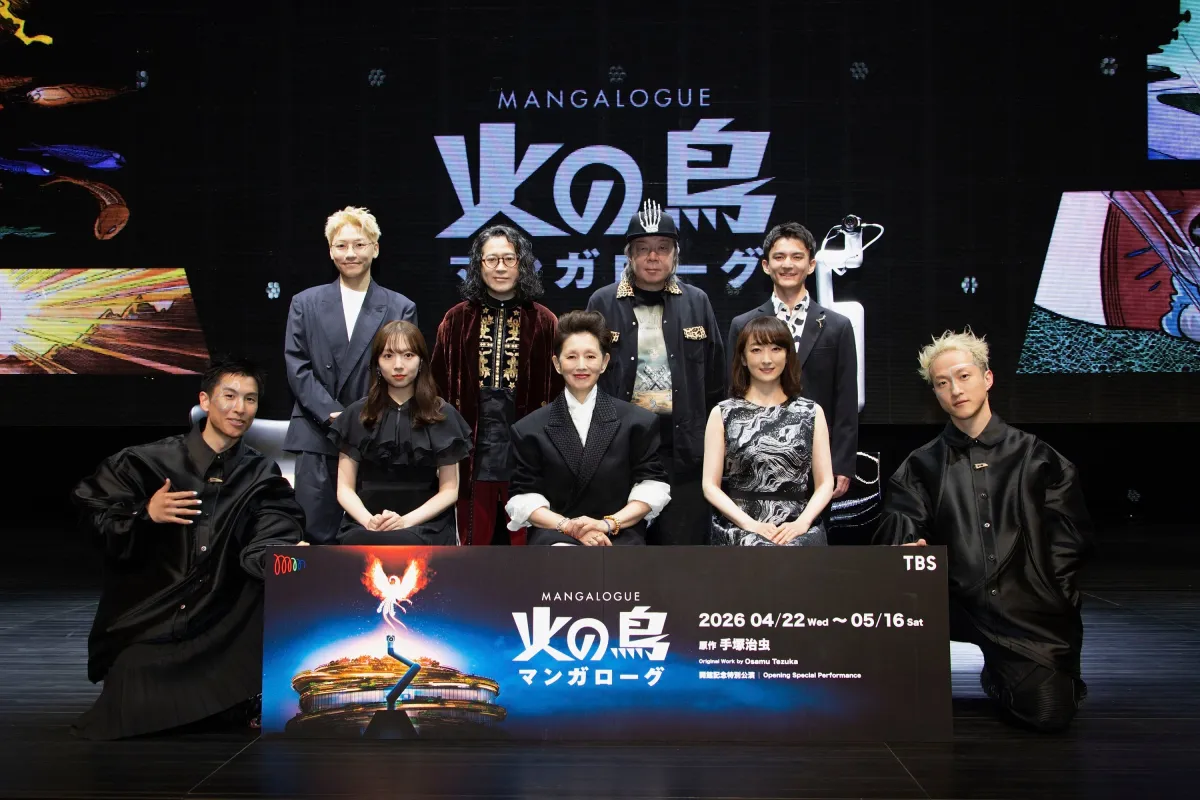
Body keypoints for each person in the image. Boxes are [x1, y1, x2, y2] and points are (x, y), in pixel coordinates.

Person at [70, 358, 305, 740]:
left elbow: (275, 520)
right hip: (156, 611)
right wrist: (145, 514)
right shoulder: (146, 462)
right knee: (133, 689)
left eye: (250, 399)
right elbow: (93, 517)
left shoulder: (260, 472)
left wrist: (278, 550)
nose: (240, 408)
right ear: (205, 401)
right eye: (229, 396)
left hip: (223, 614)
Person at [874, 329, 1094, 732]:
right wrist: (907, 546)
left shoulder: (1038, 457)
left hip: (1026, 609)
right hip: (952, 602)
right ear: (935, 393)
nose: (955, 390)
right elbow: (901, 521)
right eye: (942, 383)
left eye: (964, 376)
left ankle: (1000, 673)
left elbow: (1069, 539)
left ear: (987, 378)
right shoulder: (921, 465)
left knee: (1047, 714)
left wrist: (1052, 593)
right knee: (892, 699)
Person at [586, 199, 723, 545]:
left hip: (684, 451)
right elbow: (585, 377)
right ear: (629, 255)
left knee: (683, 551)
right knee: (621, 549)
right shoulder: (603, 302)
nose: (652, 257)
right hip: (620, 450)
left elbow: (716, 380)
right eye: (643, 248)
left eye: (662, 248)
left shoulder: (697, 301)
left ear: (675, 254)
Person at [284, 206, 418, 543]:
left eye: (359, 245)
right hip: (317, 433)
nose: (350, 254)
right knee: (315, 537)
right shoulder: (305, 302)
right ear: (330, 251)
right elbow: (297, 366)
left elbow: (402, 369)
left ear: (375, 248)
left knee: (371, 541)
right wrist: (332, 413)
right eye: (341, 246)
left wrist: (362, 415)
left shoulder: (400, 307)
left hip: (375, 434)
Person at [430, 224, 561, 546]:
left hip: (526, 450)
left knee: (527, 544)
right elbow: (436, 387)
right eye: (491, 259)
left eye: (508, 259)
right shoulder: (456, 320)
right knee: (472, 545)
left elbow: (559, 393)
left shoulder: (544, 321)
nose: (500, 267)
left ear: (522, 263)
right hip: (470, 449)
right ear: (478, 265)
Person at [505, 310, 671, 546]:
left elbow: (652, 486)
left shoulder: (639, 422)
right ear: (557, 364)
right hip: (555, 534)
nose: (581, 366)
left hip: (618, 532)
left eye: (591, 356)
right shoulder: (529, 429)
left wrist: (607, 524)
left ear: (604, 362)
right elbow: (523, 495)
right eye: (571, 357)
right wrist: (570, 527)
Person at [726, 222, 858, 500]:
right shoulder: (743, 325)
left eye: (797, 257)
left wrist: (842, 462)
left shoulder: (838, 327)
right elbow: (735, 391)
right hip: (756, 455)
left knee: (813, 527)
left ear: (811, 265)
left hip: (818, 458)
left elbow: (846, 399)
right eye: (779, 257)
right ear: (766, 265)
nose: (788, 264)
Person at [330, 321, 472, 545]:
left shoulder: (442, 414)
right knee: (360, 544)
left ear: (421, 361)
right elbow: (344, 489)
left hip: (425, 524)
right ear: (377, 362)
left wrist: (405, 522)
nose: (398, 365)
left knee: (405, 542)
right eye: (388, 356)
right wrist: (369, 521)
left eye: (408, 355)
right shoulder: (356, 414)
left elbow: (450, 490)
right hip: (366, 522)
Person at [703, 317, 834, 546]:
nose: (766, 359)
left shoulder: (811, 412)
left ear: (787, 355)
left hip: (798, 529)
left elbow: (825, 484)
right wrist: (750, 525)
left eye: (776, 349)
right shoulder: (723, 413)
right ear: (743, 358)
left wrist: (802, 524)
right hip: (740, 529)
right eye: (756, 350)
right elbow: (710, 486)